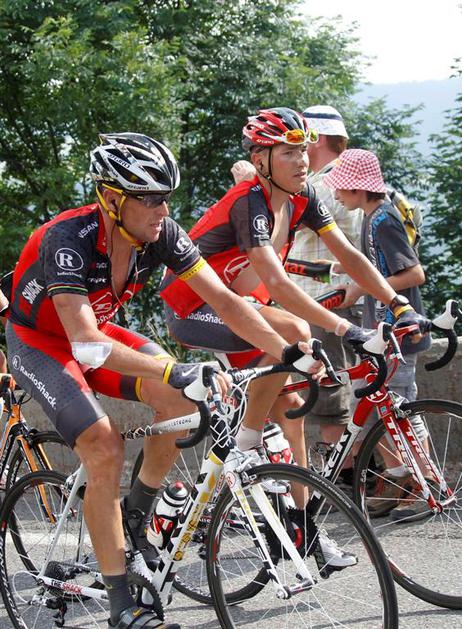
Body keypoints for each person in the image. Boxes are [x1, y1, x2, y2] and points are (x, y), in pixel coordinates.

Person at [5, 132, 318, 629]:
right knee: (104, 445)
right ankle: (121, 606)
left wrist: (286, 352)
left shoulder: (162, 234)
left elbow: (225, 301)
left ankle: (136, 513)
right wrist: (174, 369)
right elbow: (84, 342)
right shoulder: (68, 239)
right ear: (112, 199)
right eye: (149, 199)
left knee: (182, 403)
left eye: (165, 197)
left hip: (97, 333)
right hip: (43, 343)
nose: (162, 209)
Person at [160, 107, 427, 504]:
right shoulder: (248, 201)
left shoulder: (304, 197)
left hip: (242, 308)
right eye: (288, 152)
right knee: (294, 330)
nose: (301, 160)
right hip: (192, 309)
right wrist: (347, 329)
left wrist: (398, 303)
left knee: (292, 411)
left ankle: (304, 522)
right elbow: (277, 283)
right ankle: (246, 443)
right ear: (260, 161)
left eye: (303, 150)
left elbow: (350, 256)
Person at [323, 148, 431, 519]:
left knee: (401, 410)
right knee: (369, 409)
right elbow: (375, 266)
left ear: (358, 187)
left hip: (400, 332)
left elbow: (414, 274)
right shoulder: (371, 217)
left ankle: (427, 483)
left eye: (340, 188)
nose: (336, 194)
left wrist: (360, 288)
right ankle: (399, 479)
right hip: (380, 332)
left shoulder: (383, 220)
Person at [274, 105, 362, 487]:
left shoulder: (326, 183)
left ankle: (342, 476)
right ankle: (350, 472)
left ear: (319, 139)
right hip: (330, 298)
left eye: (303, 143)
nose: (299, 153)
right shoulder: (344, 178)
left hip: (324, 300)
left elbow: (283, 207)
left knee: (329, 393)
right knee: (335, 388)